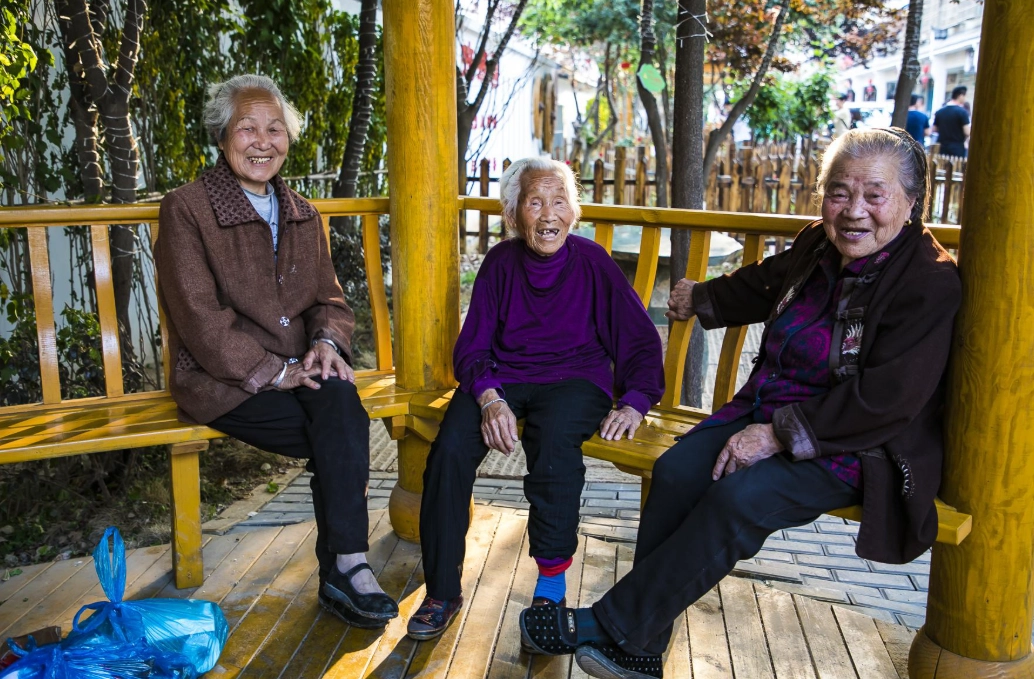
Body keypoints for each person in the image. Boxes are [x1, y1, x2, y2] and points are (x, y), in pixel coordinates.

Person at [518, 128, 961, 679]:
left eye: (875, 195)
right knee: (676, 471)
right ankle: (641, 650)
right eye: (840, 192)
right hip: (771, 409)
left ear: (911, 203)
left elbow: (887, 400)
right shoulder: (818, 245)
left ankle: (610, 624)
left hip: (856, 442)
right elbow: (763, 283)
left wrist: (776, 436)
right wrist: (701, 297)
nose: (854, 211)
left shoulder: (928, 281)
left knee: (736, 499)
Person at [154, 74, 398, 629]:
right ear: (222, 137)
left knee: (339, 403)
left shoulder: (302, 212)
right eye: (247, 128)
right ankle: (344, 573)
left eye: (275, 129)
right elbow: (198, 317)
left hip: (301, 370)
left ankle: (349, 567)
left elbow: (329, 301)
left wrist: (326, 345)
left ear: (288, 140)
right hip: (222, 380)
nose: (262, 141)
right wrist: (271, 370)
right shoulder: (187, 209)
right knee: (342, 429)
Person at [406, 157, 664, 641]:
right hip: (502, 378)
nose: (549, 214)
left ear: (574, 212)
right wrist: (487, 397)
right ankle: (441, 590)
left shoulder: (593, 263)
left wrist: (635, 400)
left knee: (552, 451)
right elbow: (473, 345)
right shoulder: (501, 263)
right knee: (449, 452)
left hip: (575, 377)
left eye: (559, 201)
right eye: (535, 202)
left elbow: (639, 339)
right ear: (513, 214)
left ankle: (550, 587)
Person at [932, 86, 971, 157]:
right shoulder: (962, 112)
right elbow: (967, 132)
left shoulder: (940, 111)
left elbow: (934, 129)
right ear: (960, 95)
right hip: (957, 148)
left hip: (941, 147)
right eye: (965, 95)